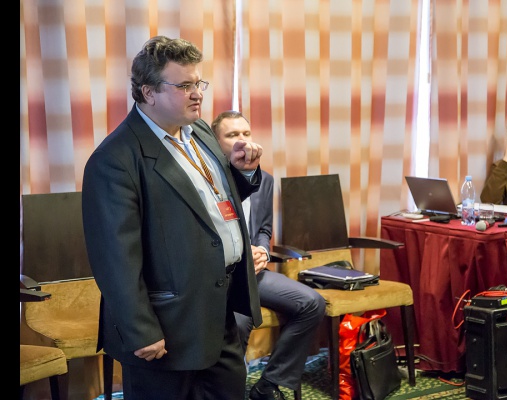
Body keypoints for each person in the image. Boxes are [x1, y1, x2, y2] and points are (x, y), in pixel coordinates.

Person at [81, 36, 265, 400]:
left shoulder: (200, 132)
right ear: (148, 92)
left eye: (198, 83)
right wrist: (141, 330)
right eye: (183, 86)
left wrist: (243, 173)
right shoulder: (115, 159)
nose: (197, 94)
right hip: (166, 324)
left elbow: (209, 205)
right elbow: (115, 258)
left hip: (218, 310)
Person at [211, 110, 326, 400]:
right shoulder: (208, 183)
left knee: (312, 304)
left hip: (256, 275)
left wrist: (262, 251)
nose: (242, 140)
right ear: (216, 142)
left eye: (245, 133)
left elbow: (263, 229)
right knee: (237, 323)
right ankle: (227, 392)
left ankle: (270, 383)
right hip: (222, 278)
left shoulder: (265, 180)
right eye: (232, 135)